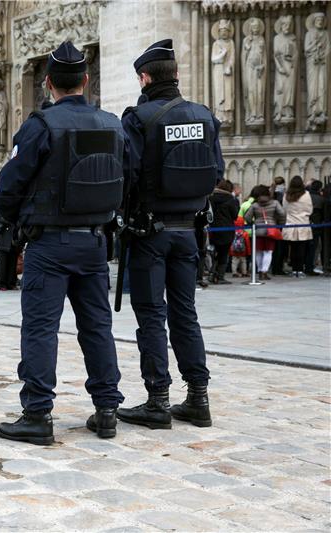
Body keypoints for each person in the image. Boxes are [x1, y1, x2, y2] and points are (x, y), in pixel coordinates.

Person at [0, 41, 128, 444]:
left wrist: (18, 226)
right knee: (97, 328)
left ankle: (37, 414)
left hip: (49, 245)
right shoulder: (112, 124)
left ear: (47, 83)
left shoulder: (40, 126)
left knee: (40, 329)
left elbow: (8, 188)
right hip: (94, 243)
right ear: (86, 81)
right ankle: (107, 410)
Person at [117, 39, 225, 431]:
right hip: (190, 232)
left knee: (150, 316)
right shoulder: (204, 116)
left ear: (144, 77)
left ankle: (157, 401)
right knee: (186, 314)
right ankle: (198, 397)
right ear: (176, 75)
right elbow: (216, 171)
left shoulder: (139, 119)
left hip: (150, 231)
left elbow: (125, 175)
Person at [244, 184, 286, 279]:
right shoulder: (274, 203)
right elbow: (282, 213)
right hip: (270, 229)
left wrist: (253, 223)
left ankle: (259, 271)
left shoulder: (255, 205)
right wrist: (280, 224)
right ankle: (264, 271)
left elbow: (247, 217)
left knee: (258, 251)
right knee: (268, 251)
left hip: (258, 230)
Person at [282, 176, 314, 278]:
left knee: (293, 248)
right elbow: (310, 210)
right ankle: (299, 270)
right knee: (301, 248)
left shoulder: (287, 195)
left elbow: (284, 209)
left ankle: (294, 270)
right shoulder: (306, 194)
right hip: (303, 224)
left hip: (290, 224)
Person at [208, 179, 239, 284]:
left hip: (212, 229)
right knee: (223, 254)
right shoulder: (231, 199)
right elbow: (235, 215)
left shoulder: (211, 198)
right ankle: (219, 276)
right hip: (226, 229)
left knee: (213, 253)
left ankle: (211, 274)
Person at [270, 176, 288, 276]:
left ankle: (273, 267)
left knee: (272, 248)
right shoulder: (281, 195)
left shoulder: (269, 194)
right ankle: (278, 268)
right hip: (279, 224)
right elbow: (282, 211)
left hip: (270, 225)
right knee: (280, 248)